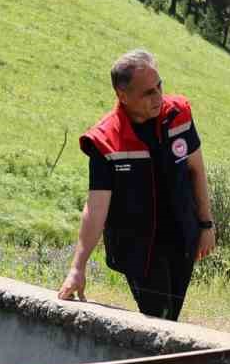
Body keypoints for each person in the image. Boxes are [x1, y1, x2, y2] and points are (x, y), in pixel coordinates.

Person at [57, 49, 215, 320]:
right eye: (147, 92)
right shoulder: (105, 140)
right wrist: (77, 267)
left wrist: (206, 225)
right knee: (159, 319)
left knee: (170, 319)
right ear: (123, 95)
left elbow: (196, 170)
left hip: (182, 238)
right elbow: (96, 208)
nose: (158, 97)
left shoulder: (179, 114)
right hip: (139, 248)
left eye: (159, 86)